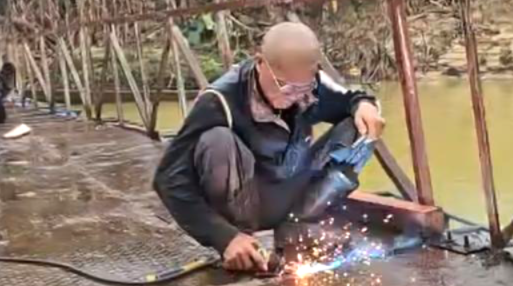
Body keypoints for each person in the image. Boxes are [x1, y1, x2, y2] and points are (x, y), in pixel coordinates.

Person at [154, 22, 385, 271]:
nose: (293, 96)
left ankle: (299, 224)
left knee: (357, 123)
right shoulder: (220, 100)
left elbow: (351, 97)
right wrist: (223, 236)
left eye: (301, 88)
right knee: (216, 140)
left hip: (293, 192)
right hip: (247, 200)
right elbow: (168, 179)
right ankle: (244, 240)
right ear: (260, 62)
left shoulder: (311, 86)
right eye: (283, 85)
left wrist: (364, 105)